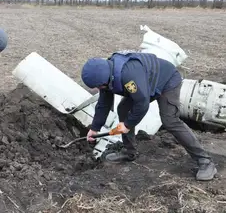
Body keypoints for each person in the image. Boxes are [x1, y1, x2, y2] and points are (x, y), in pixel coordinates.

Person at [81, 50, 217, 181]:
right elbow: (103, 103)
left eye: (99, 87)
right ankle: (129, 152)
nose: (99, 89)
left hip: (166, 81)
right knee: (123, 109)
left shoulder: (128, 76)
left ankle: (205, 161)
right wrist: (94, 128)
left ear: (105, 80)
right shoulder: (106, 75)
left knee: (170, 120)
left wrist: (127, 125)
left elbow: (142, 103)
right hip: (146, 83)